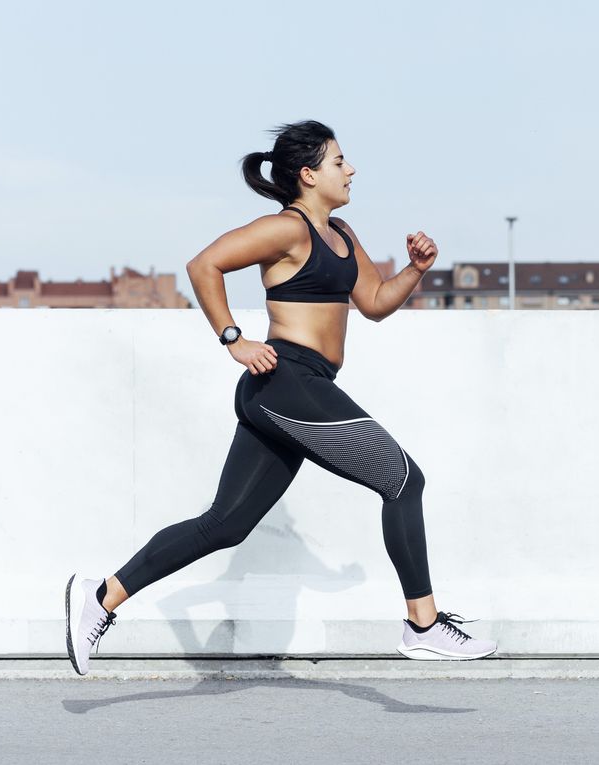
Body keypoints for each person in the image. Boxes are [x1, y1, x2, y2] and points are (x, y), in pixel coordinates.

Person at [65, 120, 496, 675]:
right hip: (285, 379)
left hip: (298, 388)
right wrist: (233, 339)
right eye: (340, 161)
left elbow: (374, 302)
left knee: (224, 525)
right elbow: (204, 265)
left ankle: (100, 598)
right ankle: (423, 625)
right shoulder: (287, 230)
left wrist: (414, 270)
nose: (351, 169)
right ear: (309, 174)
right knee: (403, 479)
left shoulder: (342, 234)